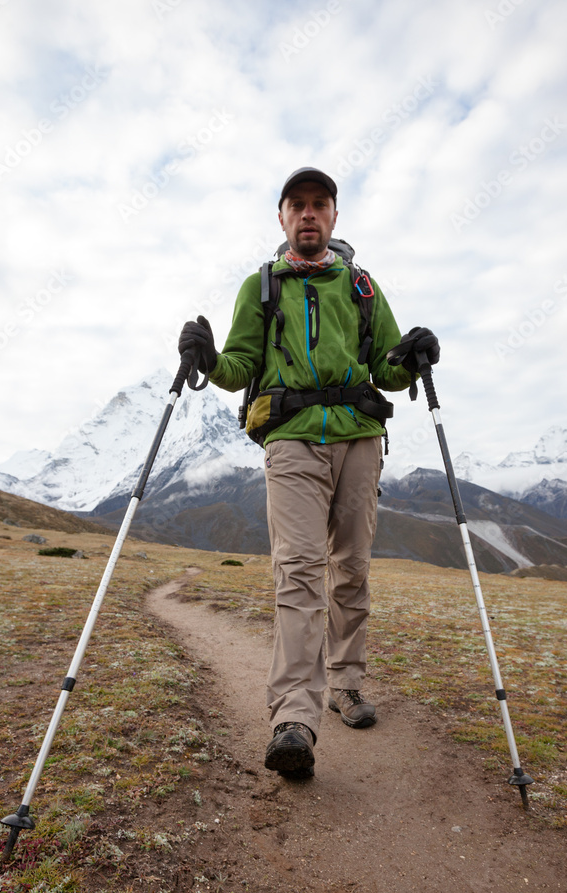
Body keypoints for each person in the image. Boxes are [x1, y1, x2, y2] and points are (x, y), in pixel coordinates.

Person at [179, 167, 439, 778]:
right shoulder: (260, 287)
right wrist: (211, 359)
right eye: (297, 205)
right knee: (298, 571)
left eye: (319, 205)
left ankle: (346, 685)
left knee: (351, 568)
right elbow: (241, 365)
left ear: (334, 217)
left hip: (359, 440)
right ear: (282, 218)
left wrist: (415, 352)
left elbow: (389, 368)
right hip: (291, 440)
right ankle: (294, 717)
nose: (308, 215)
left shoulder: (363, 288)